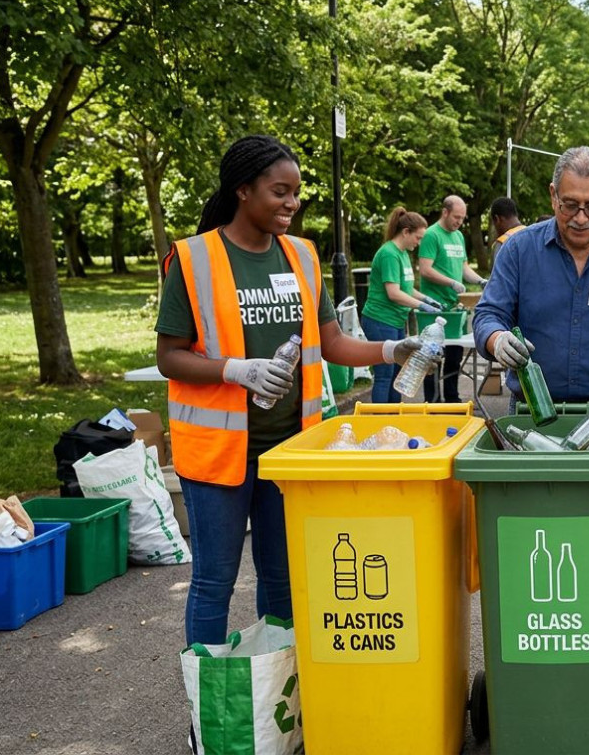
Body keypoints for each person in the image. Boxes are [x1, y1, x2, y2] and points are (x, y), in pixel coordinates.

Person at [156, 135, 432, 647]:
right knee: (214, 583)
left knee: (283, 581)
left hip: (289, 452)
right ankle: (206, 712)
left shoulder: (302, 257)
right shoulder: (193, 259)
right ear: (242, 191)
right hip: (219, 456)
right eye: (279, 192)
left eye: (296, 193)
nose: (292, 204)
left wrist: (389, 351)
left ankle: (280, 701)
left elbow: (331, 342)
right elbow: (169, 356)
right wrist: (236, 370)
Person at [473, 146, 589, 420]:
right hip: (530, 413)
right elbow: (488, 314)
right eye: (570, 205)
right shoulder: (518, 250)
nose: (581, 218)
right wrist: (497, 339)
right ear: (553, 196)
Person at [361, 207, 442, 403]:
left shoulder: (404, 253)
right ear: (406, 232)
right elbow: (393, 293)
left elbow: (406, 288)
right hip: (380, 320)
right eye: (418, 237)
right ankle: (380, 420)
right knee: (384, 374)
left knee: (398, 371)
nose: (420, 242)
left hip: (395, 321)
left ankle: (395, 416)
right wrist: (420, 306)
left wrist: (425, 299)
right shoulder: (389, 253)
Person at [416, 196, 488, 402]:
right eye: (456, 217)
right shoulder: (431, 235)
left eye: (462, 218)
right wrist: (450, 282)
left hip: (454, 306)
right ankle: (432, 400)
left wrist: (480, 281)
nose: (459, 222)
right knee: (432, 355)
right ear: (445, 212)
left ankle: (452, 397)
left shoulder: (458, 237)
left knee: (455, 354)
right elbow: (425, 269)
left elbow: (464, 268)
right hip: (433, 306)